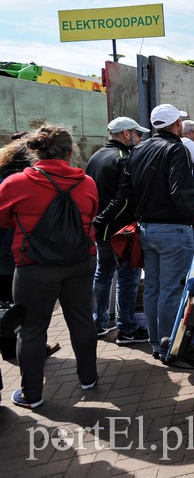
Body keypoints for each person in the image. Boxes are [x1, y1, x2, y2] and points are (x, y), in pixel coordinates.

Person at [95, 104, 194, 361]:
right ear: (176, 124)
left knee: (154, 289)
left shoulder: (137, 150)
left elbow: (126, 193)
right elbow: (182, 193)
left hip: (146, 230)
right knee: (170, 291)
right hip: (173, 231)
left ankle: (157, 343)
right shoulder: (176, 148)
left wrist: (102, 220)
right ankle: (169, 347)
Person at [0, 124, 99, 409]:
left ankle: (32, 394)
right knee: (81, 319)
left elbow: (3, 218)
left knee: (31, 329)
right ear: (70, 151)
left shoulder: (17, 183)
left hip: (34, 265)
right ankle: (88, 378)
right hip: (80, 261)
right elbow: (91, 213)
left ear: (37, 151)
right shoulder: (86, 182)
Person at [85, 116, 150, 344]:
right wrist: (103, 219)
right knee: (128, 278)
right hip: (120, 230)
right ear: (126, 134)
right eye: (137, 133)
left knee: (102, 275)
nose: (140, 137)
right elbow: (124, 199)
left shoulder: (95, 156)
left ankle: (98, 323)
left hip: (101, 230)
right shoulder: (124, 158)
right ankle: (127, 329)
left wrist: (97, 220)